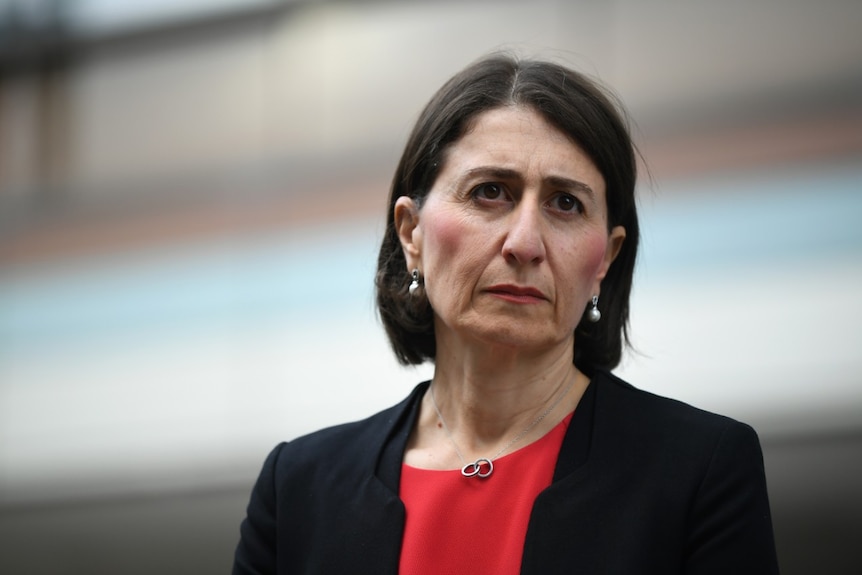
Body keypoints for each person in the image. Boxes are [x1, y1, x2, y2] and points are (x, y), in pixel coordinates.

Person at [232, 54, 780, 574]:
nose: (524, 243)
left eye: (565, 203)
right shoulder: (298, 488)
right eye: (490, 192)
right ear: (412, 234)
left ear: (604, 260)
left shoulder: (699, 471)